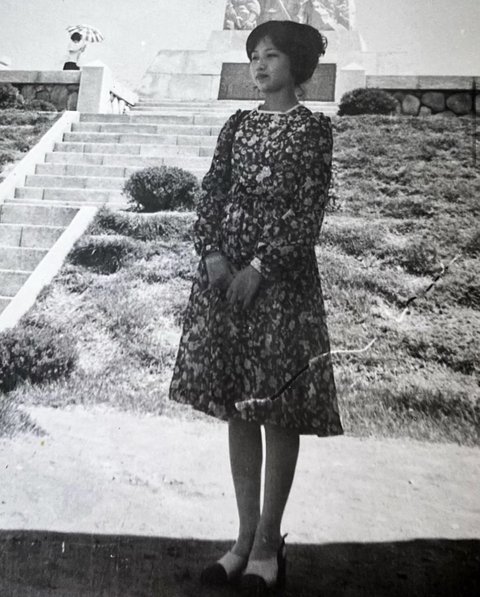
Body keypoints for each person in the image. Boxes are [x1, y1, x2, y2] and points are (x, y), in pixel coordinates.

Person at [169, 19, 343, 595]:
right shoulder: (237, 125)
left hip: (279, 285)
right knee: (238, 407)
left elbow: (307, 209)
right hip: (225, 280)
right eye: (254, 57)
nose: (260, 65)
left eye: (271, 56)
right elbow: (212, 191)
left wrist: (262, 268)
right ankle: (242, 541)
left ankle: (270, 544)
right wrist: (213, 253)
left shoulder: (313, 131)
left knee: (276, 409)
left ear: (297, 65)